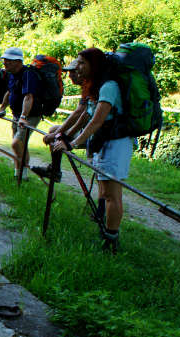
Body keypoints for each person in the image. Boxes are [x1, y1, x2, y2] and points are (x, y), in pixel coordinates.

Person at [52, 48, 135, 253]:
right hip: (105, 142)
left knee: (112, 194)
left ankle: (111, 239)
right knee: (106, 192)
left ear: (94, 64)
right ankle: (106, 233)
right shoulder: (98, 87)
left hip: (116, 144)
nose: (77, 67)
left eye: (82, 63)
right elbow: (86, 116)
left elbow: (97, 120)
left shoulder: (109, 87)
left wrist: (72, 143)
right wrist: (66, 135)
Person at [33, 59, 90, 182]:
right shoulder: (86, 87)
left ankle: (55, 172)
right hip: (87, 129)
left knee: (56, 133)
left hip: (92, 132)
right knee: (54, 130)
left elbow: (79, 114)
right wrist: (59, 133)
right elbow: (79, 115)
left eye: (73, 72)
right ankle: (55, 170)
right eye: (69, 72)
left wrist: (62, 135)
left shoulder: (90, 86)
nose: (70, 76)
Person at [0, 47, 41, 181]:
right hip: (16, 115)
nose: (4, 63)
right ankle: (19, 175)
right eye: (4, 60)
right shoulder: (12, 74)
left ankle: (24, 172)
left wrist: (23, 116)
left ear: (17, 61)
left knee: (17, 143)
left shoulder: (28, 74)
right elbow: (10, 92)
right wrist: (2, 108)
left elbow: (29, 96)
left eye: (7, 61)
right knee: (21, 145)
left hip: (29, 116)